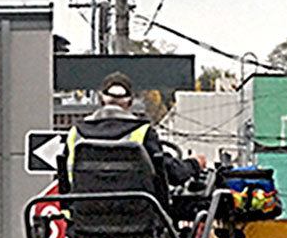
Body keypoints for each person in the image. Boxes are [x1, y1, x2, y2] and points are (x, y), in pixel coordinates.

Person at [56, 71, 204, 195]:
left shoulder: (76, 133)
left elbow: (64, 180)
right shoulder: (143, 133)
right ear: (130, 102)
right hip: (140, 223)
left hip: (82, 222)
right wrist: (195, 163)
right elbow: (173, 174)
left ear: (101, 100)